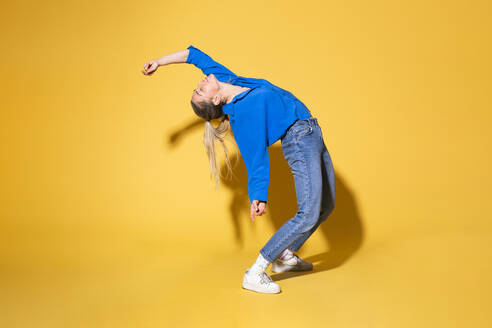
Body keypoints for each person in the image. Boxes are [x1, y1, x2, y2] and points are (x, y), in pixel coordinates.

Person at [142, 45, 336, 294]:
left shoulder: (225, 79)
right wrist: (258, 195)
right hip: (298, 139)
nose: (201, 82)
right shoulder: (241, 115)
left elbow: (194, 55)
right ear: (214, 99)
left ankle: (285, 256)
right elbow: (255, 156)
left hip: (312, 132)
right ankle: (256, 272)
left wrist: (159, 61)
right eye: (201, 90)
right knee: (308, 212)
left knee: (327, 205)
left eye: (198, 87)